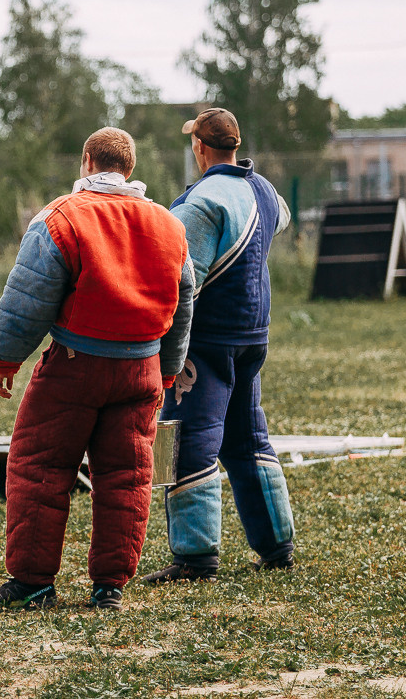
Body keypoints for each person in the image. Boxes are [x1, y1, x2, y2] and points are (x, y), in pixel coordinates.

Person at [0, 127, 195, 611]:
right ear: (129, 169)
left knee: (40, 467)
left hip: (74, 368)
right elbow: (183, 306)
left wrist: (4, 358)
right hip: (142, 370)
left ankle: (33, 583)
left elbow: (27, 297)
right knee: (127, 476)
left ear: (86, 161)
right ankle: (109, 587)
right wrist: (170, 368)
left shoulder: (62, 217)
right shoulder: (168, 225)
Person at [141, 107, 298, 584]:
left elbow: (179, 275)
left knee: (190, 441)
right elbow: (280, 222)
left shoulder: (202, 202)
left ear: (199, 149)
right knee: (247, 438)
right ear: (235, 145)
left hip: (206, 341)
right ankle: (277, 544)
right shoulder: (265, 190)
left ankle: (195, 556)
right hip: (253, 335)